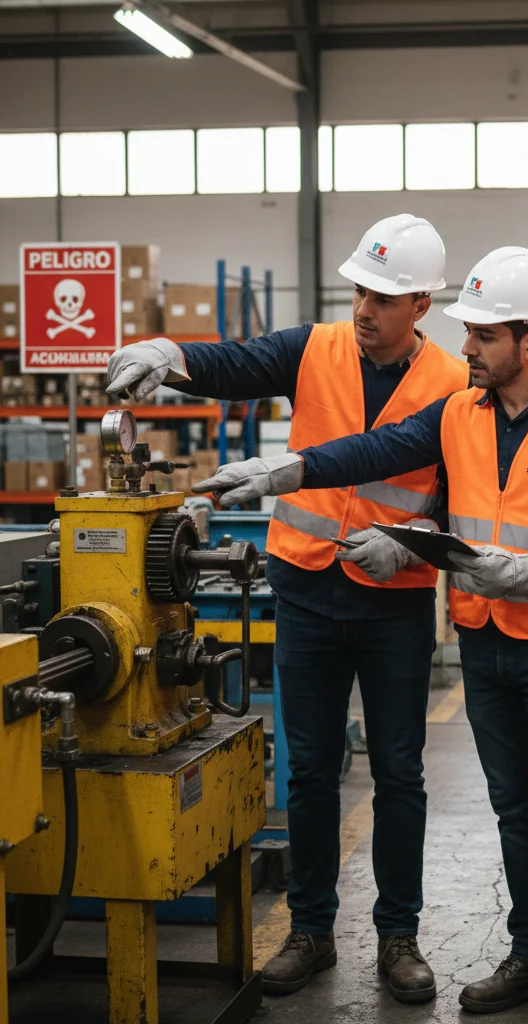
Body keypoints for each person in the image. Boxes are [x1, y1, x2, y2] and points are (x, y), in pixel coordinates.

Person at [194, 246, 528, 1024]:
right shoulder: (459, 413)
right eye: (467, 333)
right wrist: (285, 471)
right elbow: (375, 451)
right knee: (515, 811)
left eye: (485, 337)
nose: (467, 349)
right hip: (483, 638)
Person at [105, 214, 470, 1002]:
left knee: (400, 775)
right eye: (359, 291)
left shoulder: (451, 381)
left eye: (383, 297)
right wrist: (169, 356)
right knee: (308, 770)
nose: (364, 309)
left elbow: (464, 497)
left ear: (421, 307)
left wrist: (415, 544)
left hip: (395, 600)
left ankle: (398, 937)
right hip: (306, 586)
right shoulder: (316, 348)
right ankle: (310, 931)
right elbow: (234, 363)